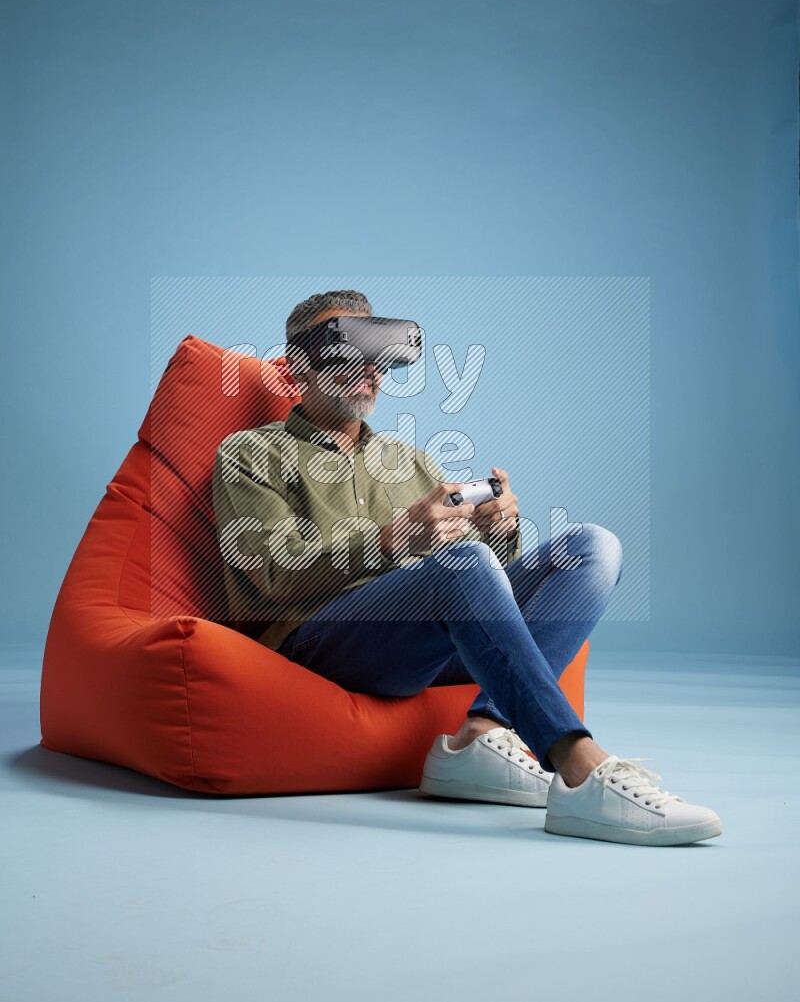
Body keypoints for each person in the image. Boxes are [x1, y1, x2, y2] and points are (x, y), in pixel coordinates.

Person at [212, 289, 723, 847]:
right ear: (298, 368)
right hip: (314, 646)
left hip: (419, 645)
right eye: (344, 351)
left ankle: (480, 734)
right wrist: (394, 539)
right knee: (461, 563)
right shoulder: (249, 453)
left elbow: (475, 580)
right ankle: (579, 766)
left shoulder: (411, 463)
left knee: (591, 545)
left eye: (377, 353)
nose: (368, 369)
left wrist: (498, 532)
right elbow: (271, 572)